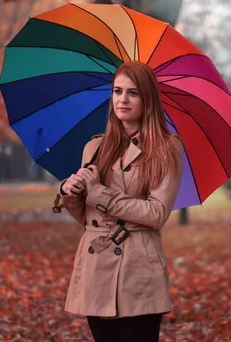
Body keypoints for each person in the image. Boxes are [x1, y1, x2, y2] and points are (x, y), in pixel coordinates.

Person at [55, 61, 184, 342]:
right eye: (117, 91)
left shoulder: (166, 147)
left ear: (147, 99)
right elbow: (87, 220)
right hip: (97, 266)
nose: (122, 100)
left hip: (139, 268)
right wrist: (71, 192)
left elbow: (157, 213)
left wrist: (99, 193)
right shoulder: (95, 147)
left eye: (133, 93)